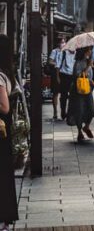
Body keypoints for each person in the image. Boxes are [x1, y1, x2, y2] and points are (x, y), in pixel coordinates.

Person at [0, 35, 18, 229]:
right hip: (5, 129)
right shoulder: (8, 73)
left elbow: (4, 107)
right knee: (5, 173)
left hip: (1, 127)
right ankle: (5, 217)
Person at [68, 48, 94, 143]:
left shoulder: (89, 61)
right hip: (78, 90)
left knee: (91, 110)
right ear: (84, 51)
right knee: (79, 111)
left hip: (88, 89)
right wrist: (88, 66)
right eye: (89, 50)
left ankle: (86, 127)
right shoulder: (78, 62)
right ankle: (80, 131)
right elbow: (78, 76)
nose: (90, 52)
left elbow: (89, 77)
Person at [49, 42, 74, 121]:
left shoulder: (77, 54)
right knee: (64, 95)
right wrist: (58, 77)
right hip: (64, 76)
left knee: (73, 95)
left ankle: (70, 113)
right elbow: (57, 66)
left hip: (73, 76)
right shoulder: (63, 54)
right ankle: (63, 111)